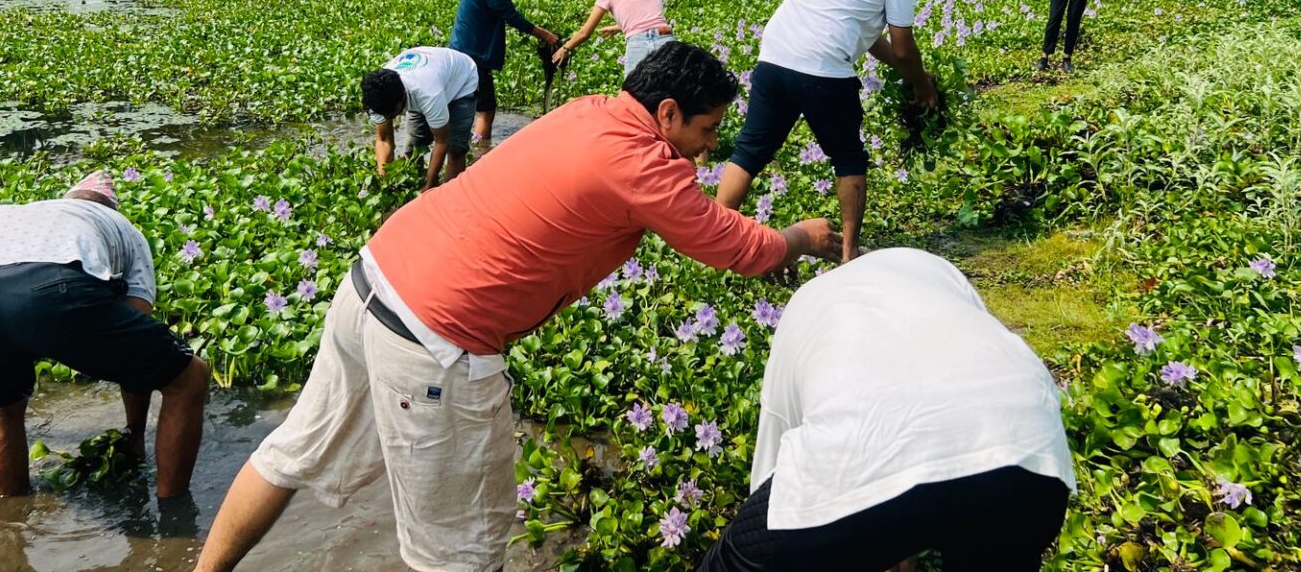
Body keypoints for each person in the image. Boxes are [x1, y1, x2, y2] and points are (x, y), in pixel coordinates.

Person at [194, 42, 840, 572]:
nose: (708, 150)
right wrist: (799, 240)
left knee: (291, 451)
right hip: (436, 339)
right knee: (461, 551)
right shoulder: (642, 159)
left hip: (371, 279)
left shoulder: (592, 110)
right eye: (705, 131)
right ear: (666, 113)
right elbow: (730, 244)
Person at [698, 248, 1075, 572]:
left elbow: (778, 473)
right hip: (1031, 447)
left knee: (731, 562)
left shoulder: (805, 302)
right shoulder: (935, 270)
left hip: (864, 447)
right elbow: (944, 423)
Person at [0, 171, 208, 498]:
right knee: (189, 376)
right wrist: (134, 435)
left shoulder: (21, 213)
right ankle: (173, 513)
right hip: (52, 287)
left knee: (1, 411)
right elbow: (137, 332)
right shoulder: (121, 226)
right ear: (111, 208)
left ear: (67, 200)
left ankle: (7, 525)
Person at [715, 0, 937, 262]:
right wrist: (922, 85)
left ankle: (717, 238)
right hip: (823, 68)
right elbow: (903, 47)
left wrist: (907, 72)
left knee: (750, 149)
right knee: (849, 157)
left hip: (774, 56)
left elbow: (872, 39)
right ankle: (849, 254)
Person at [449, 0, 560, 145]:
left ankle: (470, 144)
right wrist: (546, 35)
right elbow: (511, 16)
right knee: (486, 109)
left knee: (472, 105)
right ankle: (480, 151)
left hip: (469, 53)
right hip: (472, 57)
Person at [361, 45, 480, 190]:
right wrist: (384, 182)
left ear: (403, 98)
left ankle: (450, 195)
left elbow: (442, 141)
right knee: (413, 148)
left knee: (456, 149)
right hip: (430, 76)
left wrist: (429, 186)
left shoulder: (427, 93)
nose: (387, 117)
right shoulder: (376, 97)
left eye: (391, 114)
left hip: (461, 81)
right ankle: (417, 183)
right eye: (383, 114)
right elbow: (384, 141)